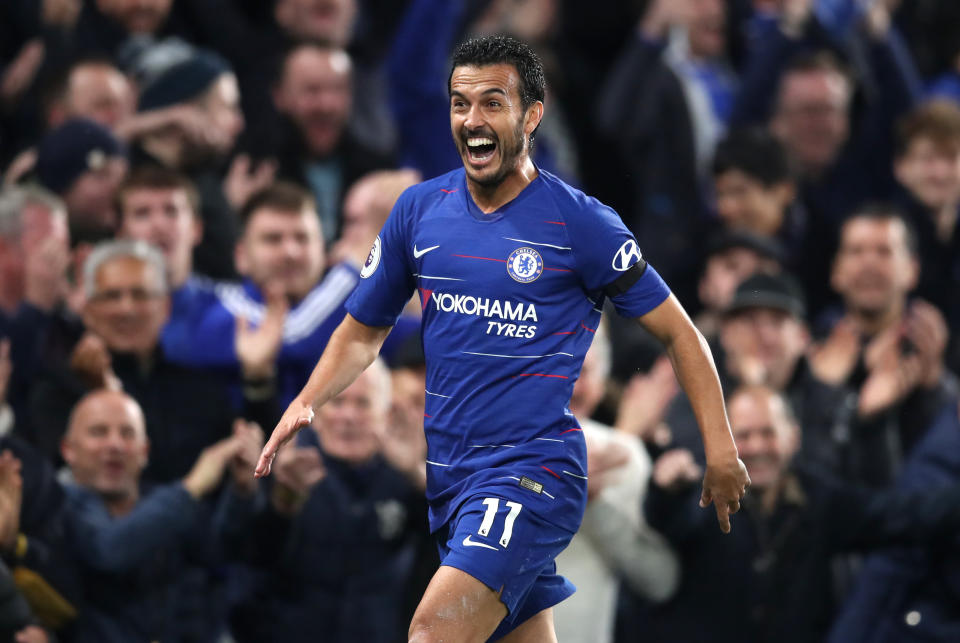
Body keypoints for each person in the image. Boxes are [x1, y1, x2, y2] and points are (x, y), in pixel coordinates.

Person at [255, 35, 748, 642]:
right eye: (461, 104)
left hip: (530, 473)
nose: (472, 120)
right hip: (452, 481)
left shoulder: (580, 223)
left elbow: (680, 332)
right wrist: (308, 398)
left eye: (493, 102)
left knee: (433, 633)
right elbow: (363, 330)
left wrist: (720, 449)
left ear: (531, 114)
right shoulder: (417, 212)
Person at [645, 384, 960, 643]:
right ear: (722, 441)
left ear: (793, 438)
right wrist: (664, 492)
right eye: (743, 435)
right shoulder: (703, 491)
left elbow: (901, 516)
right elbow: (671, 521)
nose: (756, 447)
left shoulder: (821, 499)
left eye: (768, 433)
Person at [60, 388, 262, 643]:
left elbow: (220, 553)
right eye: (98, 432)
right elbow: (107, 549)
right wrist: (193, 485)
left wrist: (242, 490)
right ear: (68, 449)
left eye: (127, 433)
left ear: (145, 451)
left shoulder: (167, 502)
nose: (114, 445)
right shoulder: (54, 505)